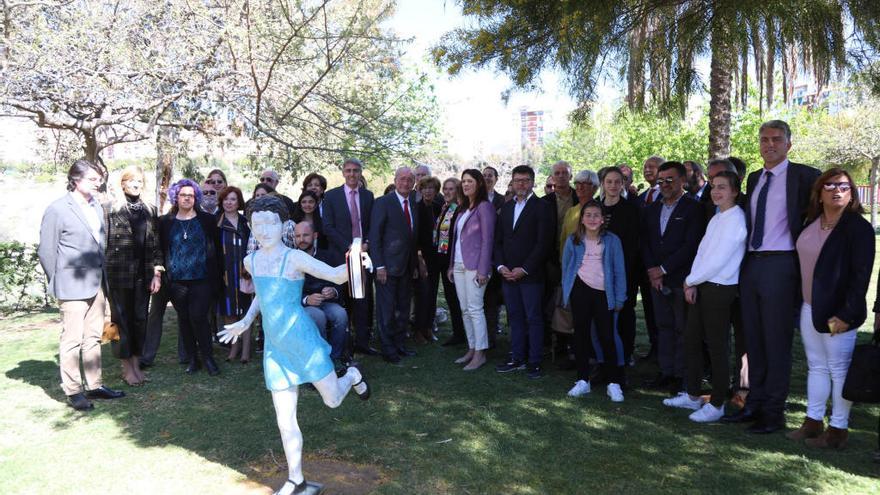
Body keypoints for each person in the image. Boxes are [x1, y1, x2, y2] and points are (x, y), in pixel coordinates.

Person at [218, 195, 370, 495]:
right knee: (284, 420)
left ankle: (352, 375)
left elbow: (336, 275)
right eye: (257, 224)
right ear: (250, 226)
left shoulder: (295, 258)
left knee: (333, 400)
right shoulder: (251, 260)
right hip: (276, 350)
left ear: (283, 225)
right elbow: (261, 295)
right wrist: (246, 322)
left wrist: (357, 262)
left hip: (302, 341)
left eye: (270, 223)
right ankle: (295, 478)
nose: (263, 230)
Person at [722, 120, 821, 434]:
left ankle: (773, 413)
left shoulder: (806, 176)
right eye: (764, 139)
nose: (769, 145)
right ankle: (753, 404)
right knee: (752, 340)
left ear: (788, 144)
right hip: (751, 265)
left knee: (776, 341)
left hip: (782, 264)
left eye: (777, 139)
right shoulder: (754, 178)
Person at [785, 168, 874, 448]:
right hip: (810, 307)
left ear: (852, 194)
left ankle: (837, 429)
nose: (837, 190)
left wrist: (846, 315)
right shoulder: (810, 221)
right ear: (819, 191)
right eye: (831, 185)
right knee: (817, 366)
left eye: (845, 187)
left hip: (839, 314)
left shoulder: (857, 227)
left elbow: (861, 276)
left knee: (838, 370)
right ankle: (812, 422)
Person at [38, 159, 126, 411]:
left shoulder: (97, 206)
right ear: (76, 180)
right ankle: (74, 391)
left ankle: (95, 385)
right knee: (72, 340)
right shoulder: (57, 209)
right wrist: (58, 280)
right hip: (71, 286)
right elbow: (46, 251)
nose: (98, 183)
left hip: (97, 284)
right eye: (93, 179)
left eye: (99, 179)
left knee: (93, 338)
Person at [662, 170, 746, 422]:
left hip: (721, 289)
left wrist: (690, 280)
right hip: (702, 285)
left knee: (717, 346)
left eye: (722, 187)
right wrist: (692, 282)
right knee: (691, 340)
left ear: (734, 191)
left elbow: (719, 260)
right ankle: (693, 394)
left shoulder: (736, 219)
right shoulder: (717, 217)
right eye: (713, 186)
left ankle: (718, 403)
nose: (716, 191)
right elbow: (702, 252)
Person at [640, 161, 704, 394]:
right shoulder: (652, 209)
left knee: (682, 329)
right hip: (656, 280)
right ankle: (666, 372)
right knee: (663, 326)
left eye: (670, 180)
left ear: (682, 181)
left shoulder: (693, 208)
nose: (665, 184)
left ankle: (681, 375)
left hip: (681, 279)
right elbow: (645, 242)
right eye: (661, 180)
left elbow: (691, 245)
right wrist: (652, 270)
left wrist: (664, 269)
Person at [562, 201, 627, 402]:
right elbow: (566, 267)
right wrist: (567, 293)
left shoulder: (612, 241)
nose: (591, 219)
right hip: (580, 290)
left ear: (602, 219)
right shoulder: (573, 240)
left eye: (596, 215)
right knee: (580, 335)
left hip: (603, 293)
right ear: (582, 218)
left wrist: (619, 297)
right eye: (587, 215)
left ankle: (613, 382)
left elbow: (619, 271)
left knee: (607, 336)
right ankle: (583, 380)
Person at [105, 166, 163, 386]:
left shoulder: (151, 210)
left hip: (143, 275)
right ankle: (125, 367)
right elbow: (103, 244)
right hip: (117, 275)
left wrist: (157, 274)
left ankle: (136, 365)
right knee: (118, 322)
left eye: (139, 180)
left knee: (140, 321)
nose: (136, 184)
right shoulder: (109, 209)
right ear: (123, 184)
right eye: (131, 181)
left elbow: (157, 245)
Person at [159, 179, 223, 376]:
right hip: (176, 281)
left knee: (198, 316)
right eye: (182, 195)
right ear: (175, 197)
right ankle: (193, 359)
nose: (187, 198)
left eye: (190, 195)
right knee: (184, 319)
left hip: (202, 279)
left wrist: (219, 277)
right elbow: (162, 250)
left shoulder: (207, 220)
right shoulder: (165, 222)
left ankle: (208, 358)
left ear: (196, 198)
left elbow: (217, 251)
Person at [494, 165, 551, 379]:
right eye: (517, 180)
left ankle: (534, 361)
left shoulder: (542, 207)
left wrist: (525, 269)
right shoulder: (506, 208)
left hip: (531, 276)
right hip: (508, 275)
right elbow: (498, 241)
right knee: (515, 317)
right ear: (512, 181)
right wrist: (501, 267)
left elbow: (543, 244)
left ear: (533, 182)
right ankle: (516, 357)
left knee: (533, 318)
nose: (521, 184)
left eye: (526, 180)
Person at [322, 158, 377, 356]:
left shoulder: (368, 196)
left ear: (361, 172)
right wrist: (350, 246)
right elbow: (328, 227)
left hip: (363, 256)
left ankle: (363, 342)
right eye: (348, 171)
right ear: (343, 173)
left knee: (362, 301)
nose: (352, 174)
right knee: (342, 301)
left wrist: (366, 244)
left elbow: (373, 225)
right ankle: (344, 344)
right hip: (340, 257)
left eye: (356, 170)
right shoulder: (331, 196)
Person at [369, 167, 420, 364]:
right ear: (395, 180)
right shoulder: (383, 203)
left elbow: (412, 237)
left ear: (414, 182)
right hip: (387, 268)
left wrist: (414, 263)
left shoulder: (414, 203)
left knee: (403, 308)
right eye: (402, 179)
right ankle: (388, 349)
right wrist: (379, 265)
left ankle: (400, 345)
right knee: (386, 310)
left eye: (410, 179)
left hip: (406, 266)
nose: (406, 183)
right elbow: (375, 236)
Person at [447, 169, 496, 370]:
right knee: (465, 309)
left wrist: (483, 270)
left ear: (479, 184)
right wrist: (451, 265)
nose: (466, 184)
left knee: (475, 309)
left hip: (476, 267)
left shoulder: (485, 207)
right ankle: (471, 347)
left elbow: (488, 240)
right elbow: (455, 239)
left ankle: (480, 353)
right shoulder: (463, 208)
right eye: (464, 181)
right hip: (458, 265)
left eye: (470, 181)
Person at [599, 166, 640, 366]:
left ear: (623, 184)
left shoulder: (631, 210)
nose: (613, 185)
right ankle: (603, 356)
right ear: (603, 184)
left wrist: (622, 271)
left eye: (617, 182)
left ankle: (625, 354)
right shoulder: (596, 208)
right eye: (609, 182)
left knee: (624, 314)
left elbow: (633, 245)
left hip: (624, 272)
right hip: (597, 273)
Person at [295, 221, 350, 369]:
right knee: (317, 316)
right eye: (298, 236)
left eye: (305, 235)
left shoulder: (328, 255)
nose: (301, 239)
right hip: (302, 305)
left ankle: (336, 357)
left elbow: (340, 282)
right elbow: (287, 291)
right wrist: (306, 299)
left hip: (327, 302)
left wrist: (333, 291)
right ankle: (322, 359)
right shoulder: (291, 260)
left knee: (340, 314)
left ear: (315, 235)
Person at [217, 186, 252, 364]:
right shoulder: (217, 223)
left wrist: (249, 268)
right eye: (226, 199)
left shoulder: (246, 223)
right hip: (224, 274)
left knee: (246, 312)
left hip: (244, 274)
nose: (229, 202)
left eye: (233, 199)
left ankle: (246, 350)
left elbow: (253, 246)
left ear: (238, 202)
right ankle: (234, 347)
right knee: (229, 311)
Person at [635, 155, 664, 362]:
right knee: (649, 309)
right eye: (645, 167)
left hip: (662, 266)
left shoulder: (669, 197)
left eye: (653, 167)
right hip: (642, 264)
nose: (648, 170)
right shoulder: (641, 197)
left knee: (664, 313)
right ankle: (655, 346)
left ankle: (665, 352)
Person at [434, 178, 467, 347]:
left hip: (452, 261)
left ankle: (461, 333)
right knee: (450, 297)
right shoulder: (445, 207)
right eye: (445, 189)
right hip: (442, 259)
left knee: (456, 298)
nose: (447, 192)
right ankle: (458, 332)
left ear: (458, 191)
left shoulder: (460, 210)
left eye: (451, 189)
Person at [414, 176, 444, 343]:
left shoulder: (438, 207)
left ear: (436, 190)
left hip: (436, 257)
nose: (428, 191)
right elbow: (414, 237)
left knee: (432, 295)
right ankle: (418, 329)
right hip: (420, 258)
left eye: (431, 188)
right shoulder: (416, 209)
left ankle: (428, 327)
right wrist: (420, 260)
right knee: (422, 295)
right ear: (420, 190)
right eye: (424, 188)